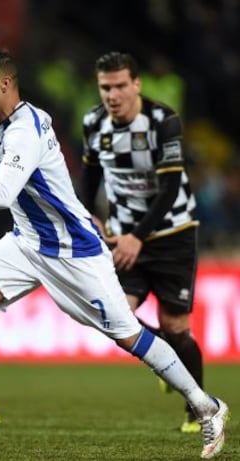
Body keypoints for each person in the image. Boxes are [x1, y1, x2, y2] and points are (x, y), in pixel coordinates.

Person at [0, 47, 228, 459]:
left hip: (72, 252)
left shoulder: (24, 130)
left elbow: (3, 193)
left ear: (5, 84)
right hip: (27, 241)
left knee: (129, 334)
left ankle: (207, 407)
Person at [80, 51, 205, 433]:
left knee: (176, 324)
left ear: (136, 84)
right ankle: (163, 355)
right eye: (106, 87)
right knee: (112, 317)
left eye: (120, 86)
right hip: (122, 235)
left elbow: (169, 187)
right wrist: (89, 215)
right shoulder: (93, 123)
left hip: (172, 234)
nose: (113, 95)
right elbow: (90, 176)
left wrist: (138, 236)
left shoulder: (162, 121)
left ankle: (196, 409)